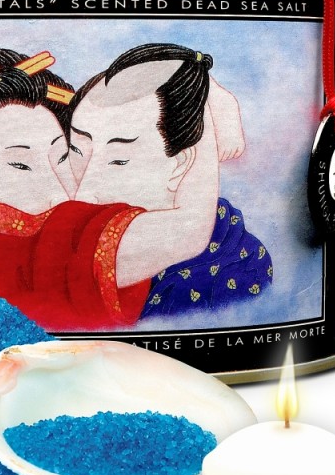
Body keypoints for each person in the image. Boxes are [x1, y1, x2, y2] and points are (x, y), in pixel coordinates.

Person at [0, 27, 220, 330]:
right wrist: (204, 106)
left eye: (63, 156)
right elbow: (188, 231)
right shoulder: (4, 257)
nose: (62, 192)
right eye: (21, 166)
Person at [68, 43, 272, 318]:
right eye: (75, 151)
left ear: (181, 164)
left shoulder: (236, 266)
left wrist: (203, 89)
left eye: (118, 160)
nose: (82, 194)